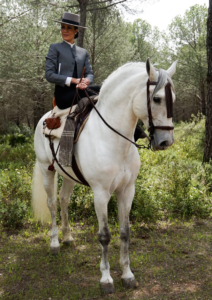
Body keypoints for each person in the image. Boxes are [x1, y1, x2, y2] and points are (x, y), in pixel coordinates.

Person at [45, 12, 100, 110]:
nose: (65, 30)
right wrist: (74, 80)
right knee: (85, 93)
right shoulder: (55, 48)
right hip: (63, 95)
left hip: (82, 89)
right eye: (63, 27)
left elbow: (90, 73)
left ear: (76, 30)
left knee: (103, 89)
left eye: (69, 28)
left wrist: (86, 81)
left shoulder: (83, 52)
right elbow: (49, 75)